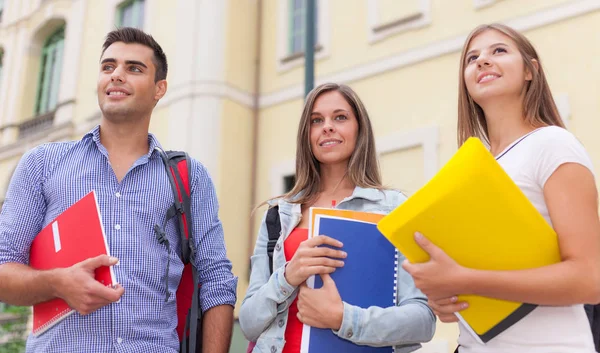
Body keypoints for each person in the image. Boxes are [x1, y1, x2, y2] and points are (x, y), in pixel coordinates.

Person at [0, 27, 237, 353]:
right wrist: (57, 282)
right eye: (108, 67)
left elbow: (217, 283)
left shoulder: (189, 178)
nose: (116, 76)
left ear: (159, 89)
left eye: (134, 68)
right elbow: (3, 269)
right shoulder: (42, 165)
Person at [402, 23, 600, 353]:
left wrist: (463, 279)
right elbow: (483, 276)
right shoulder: (471, 169)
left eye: (499, 51)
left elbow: (590, 279)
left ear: (530, 71)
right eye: (472, 58)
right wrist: (445, 299)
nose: (482, 61)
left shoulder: (553, 144)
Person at [239, 82, 436, 353]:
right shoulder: (278, 215)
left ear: (359, 129)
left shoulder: (395, 210)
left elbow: (422, 321)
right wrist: (288, 275)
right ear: (306, 135)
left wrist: (343, 318)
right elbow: (249, 323)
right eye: (316, 120)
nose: (327, 127)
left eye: (340, 117)